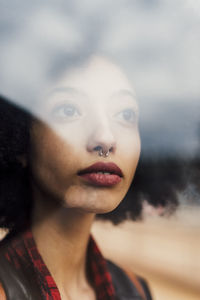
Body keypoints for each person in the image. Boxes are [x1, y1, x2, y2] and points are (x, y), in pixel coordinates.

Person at [0, 55, 154, 299]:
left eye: (125, 115)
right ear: (18, 136)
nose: (106, 138)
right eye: (69, 110)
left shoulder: (137, 290)